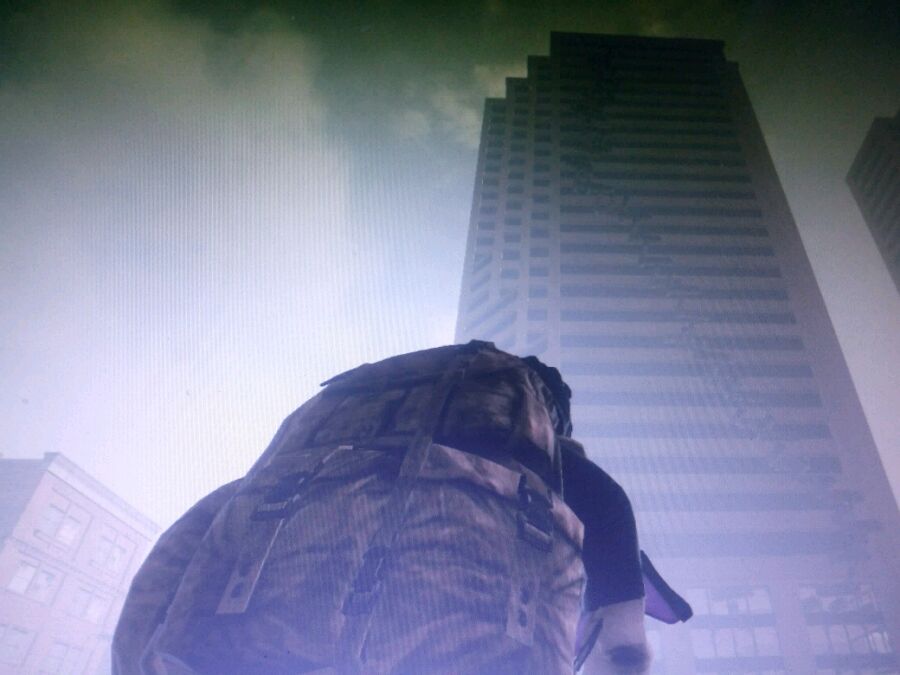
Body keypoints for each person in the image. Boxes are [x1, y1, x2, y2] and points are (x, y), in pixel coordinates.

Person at [113, 341, 689, 674]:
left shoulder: (291, 475)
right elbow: (623, 649)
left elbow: (164, 576)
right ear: (545, 420)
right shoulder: (575, 486)